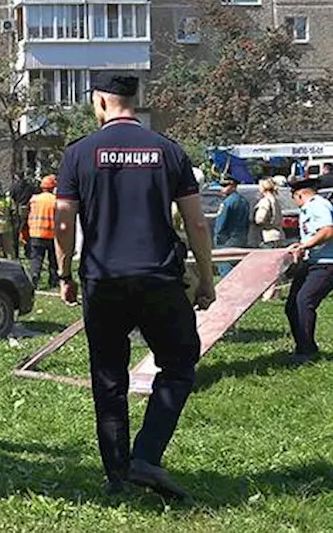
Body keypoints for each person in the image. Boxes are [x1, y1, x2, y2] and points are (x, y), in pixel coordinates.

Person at [54, 73, 216, 501]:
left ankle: (116, 474)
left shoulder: (78, 154)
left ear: (101, 102)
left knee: (108, 379)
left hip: (102, 279)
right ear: (132, 101)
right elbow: (197, 222)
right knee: (179, 365)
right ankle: (146, 455)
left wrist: (64, 274)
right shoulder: (168, 151)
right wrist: (206, 277)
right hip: (159, 277)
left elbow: (64, 221)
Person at [285, 178, 333, 364]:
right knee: (292, 305)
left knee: (304, 301)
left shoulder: (317, 205)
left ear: (299, 194)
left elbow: (328, 230)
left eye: (294, 197)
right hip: (312, 262)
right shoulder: (309, 208)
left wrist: (305, 245)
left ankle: (307, 352)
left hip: (326, 263)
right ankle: (304, 348)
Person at [26, 175, 59, 290]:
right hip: (52, 234)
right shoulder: (56, 200)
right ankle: (54, 281)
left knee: (36, 258)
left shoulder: (34, 199)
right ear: (52, 187)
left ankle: (34, 277)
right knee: (53, 260)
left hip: (36, 233)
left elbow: (28, 214)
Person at [213, 177, 250, 249]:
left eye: (225, 186)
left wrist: (217, 238)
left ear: (233, 186)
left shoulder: (228, 202)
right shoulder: (244, 201)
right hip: (242, 239)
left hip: (227, 240)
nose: (222, 189)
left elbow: (221, 223)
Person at [253, 177, 284, 249]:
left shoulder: (265, 201)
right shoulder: (275, 200)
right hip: (278, 234)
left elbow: (260, 219)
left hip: (268, 235)